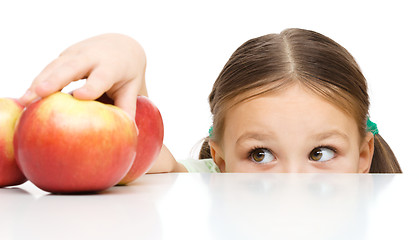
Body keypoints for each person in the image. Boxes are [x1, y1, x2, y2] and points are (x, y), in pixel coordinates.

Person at [19, 28, 402, 174]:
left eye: (320, 153)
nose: (293, 184)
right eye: (260, 154)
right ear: (218, 160)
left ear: (363, 156)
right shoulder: (206, 185)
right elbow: (136, 154)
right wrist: (126, 50)